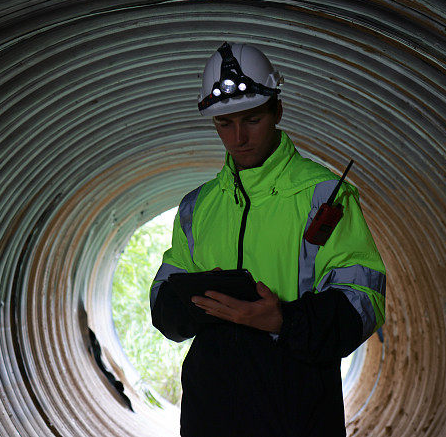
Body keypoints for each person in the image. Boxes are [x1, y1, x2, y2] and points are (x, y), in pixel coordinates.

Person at [150, 41, 386, 437]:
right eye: (225, 124)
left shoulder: (323, 196)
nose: (239, 137)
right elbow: (162, 300)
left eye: (252, 119)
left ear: (277, 110)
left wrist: (282, 320)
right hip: (210, 415)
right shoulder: (197, 207)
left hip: (296, 413)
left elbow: (363, 302)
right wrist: (207, 305)